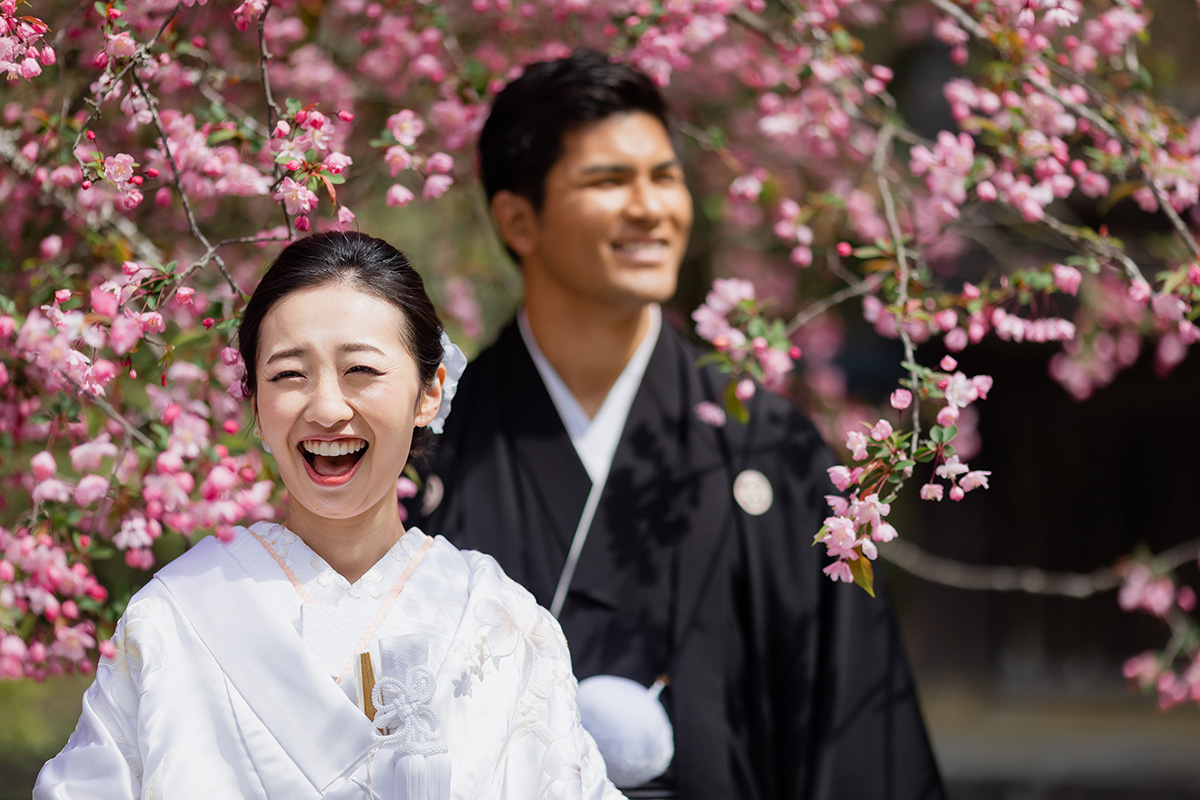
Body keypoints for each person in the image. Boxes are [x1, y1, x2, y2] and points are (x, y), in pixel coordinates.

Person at [413, 50, 947, 799]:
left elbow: (853, 731)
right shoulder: (433, 453)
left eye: (663, 177)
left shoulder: (771, 448)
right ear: (517, 219)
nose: (651, 207)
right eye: (609, 180)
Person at [35, 232, 624, 799]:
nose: (325, 408)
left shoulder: (504, 622)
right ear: (256, 406)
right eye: (289, 375)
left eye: (361, 371)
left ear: (429, 392)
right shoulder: (174, 616)